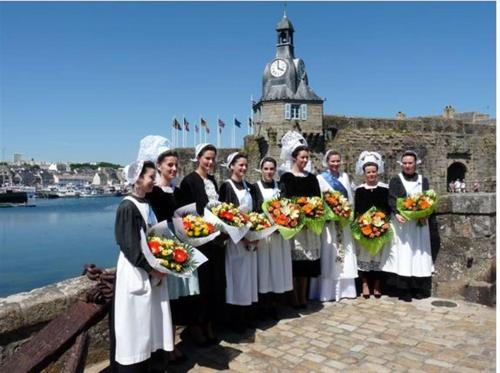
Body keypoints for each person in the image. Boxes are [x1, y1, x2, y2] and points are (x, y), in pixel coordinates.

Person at [111, 160, 173, 372]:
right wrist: (152, 268)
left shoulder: (146, 203)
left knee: (150, 323)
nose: (153, 182)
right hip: (136, 271)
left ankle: (151, 363)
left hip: (151, 270)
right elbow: (129, 245)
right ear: (137, 179)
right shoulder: (127, 206)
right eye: (150, 178)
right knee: (135, 324)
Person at [146, 145, 197, 364]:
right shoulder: (154, 192)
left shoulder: (178, 191)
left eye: (176, 165)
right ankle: (166, 348)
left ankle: (172, 344)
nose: (174, 168)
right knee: (165, 300)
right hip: (164, 249)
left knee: (175, 301)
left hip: (180, 247)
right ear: (159, 166)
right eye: (170, 165)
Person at [175, 143, 223, 345]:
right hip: (198, 241)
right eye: (207, 158)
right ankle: (197, 326)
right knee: (200, 285)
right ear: (198, 158)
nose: (210, 162)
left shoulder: (212, 180)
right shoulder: (189, 181)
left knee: (213, 283)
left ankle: (209, 323)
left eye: (213, 158)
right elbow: (185, 214)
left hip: (214, 240)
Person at [381, 150, 434, 302]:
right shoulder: (395, 180)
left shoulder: (423, 180)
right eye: (405, 163)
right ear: (401, 164)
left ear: (415, 164)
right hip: (402, 224)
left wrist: (425, 212)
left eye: (410, 163)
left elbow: (427, 198)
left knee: (418, 254)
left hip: (418, 224)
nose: (407, 166)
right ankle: (404, 289)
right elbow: (392, 199)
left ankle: (418, 287)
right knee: (403, 254)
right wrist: (396, 213)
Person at [278, 131, 321, 309]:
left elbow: (317, 200)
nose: (304, 161)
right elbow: (284, 200)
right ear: (294, 157)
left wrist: (313, 213)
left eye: (306, 158)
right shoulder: (287, 177)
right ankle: (293, 297)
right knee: (295, 264)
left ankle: (303, 296)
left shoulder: (312, 178)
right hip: (295, 227)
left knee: (306, 265)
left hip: (309, 227)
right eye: (302, 157)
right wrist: (295, 215)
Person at [309, 150, 358, 302]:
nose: (335, 164)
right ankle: (326, 292)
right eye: (333, 161)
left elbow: (350, 199)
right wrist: (329, 214)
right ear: (327, 162)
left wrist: (346, 213)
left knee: (344, 255)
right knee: (329, 255)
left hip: (343, 223)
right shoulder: (321, 178)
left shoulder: (345, 177)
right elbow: (319, 200)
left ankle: (345, 290)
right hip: (328, 224)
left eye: (338, 161)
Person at [218, 152, 259, 332]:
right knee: (236, 278)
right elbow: (224, 215)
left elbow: (255, 211)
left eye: (245, 165)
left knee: (249, 278)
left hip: (249, 238)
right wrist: (240, 235)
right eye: (240, 165)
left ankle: (247, 314)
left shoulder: (248, 186)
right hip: (235, 240)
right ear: (232, 166)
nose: (243, 168)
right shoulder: (226, 187)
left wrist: (256, 234)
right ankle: (235, 319)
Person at [253, 157, 293, 319]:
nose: (269, 172)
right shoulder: (255, 188)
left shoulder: (280, 187)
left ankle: (276, 304)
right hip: (264, 236)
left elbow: (287, 208)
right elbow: (254, 210)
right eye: (266, 169)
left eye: (272, 169)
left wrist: (280, 225)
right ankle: (263, 305)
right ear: (261, 170)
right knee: (264, 269)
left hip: (278, 235)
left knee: (277, 268)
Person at [353, 151, 389, 299]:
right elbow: (358, 210)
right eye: (368, 172)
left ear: (377, 172)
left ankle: (377, 285)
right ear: (364, 173)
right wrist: (362, 225)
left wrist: (382, 223)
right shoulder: (359, 190)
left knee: (379, 257)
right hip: (364, 229)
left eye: (374, 171)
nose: (371, 174)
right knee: (365, 256)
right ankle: (365, 283)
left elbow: (388, 208)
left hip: (381, 228)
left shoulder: (385, 188)